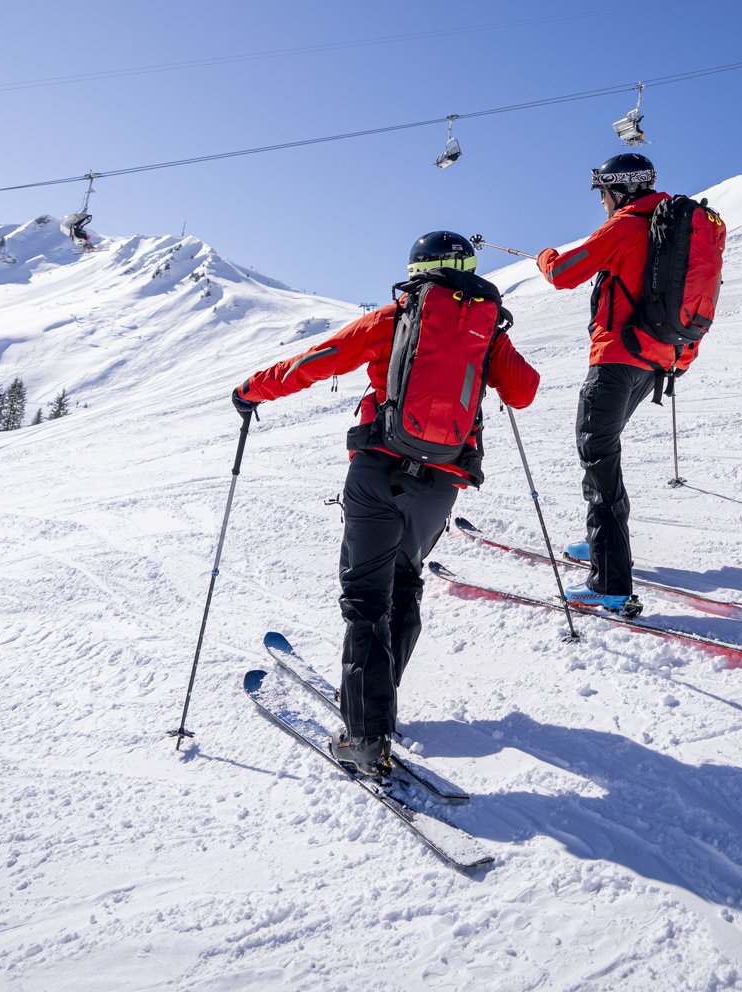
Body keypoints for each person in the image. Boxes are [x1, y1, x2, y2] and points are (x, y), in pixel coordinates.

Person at [231, 232, 539, 777]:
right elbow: (523, 391)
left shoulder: (396, 316)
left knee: (366, 598)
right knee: (405, 581)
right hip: (441, 484)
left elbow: (319, 359)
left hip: (379, 469)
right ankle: (381, 697)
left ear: (417, 269)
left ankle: (366, 736)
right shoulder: (485, 326)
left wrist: (254, 390)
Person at [535, 153, 700, 616]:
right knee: (604, 454)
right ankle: (601, 545)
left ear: (618, 191)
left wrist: (544, 255)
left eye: (603, 193)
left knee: (598, 458)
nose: (602, 202)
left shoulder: (627, 225)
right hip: (655, 362)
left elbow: (564, 273)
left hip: (615, 360)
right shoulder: (674, 226)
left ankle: (610, 583)